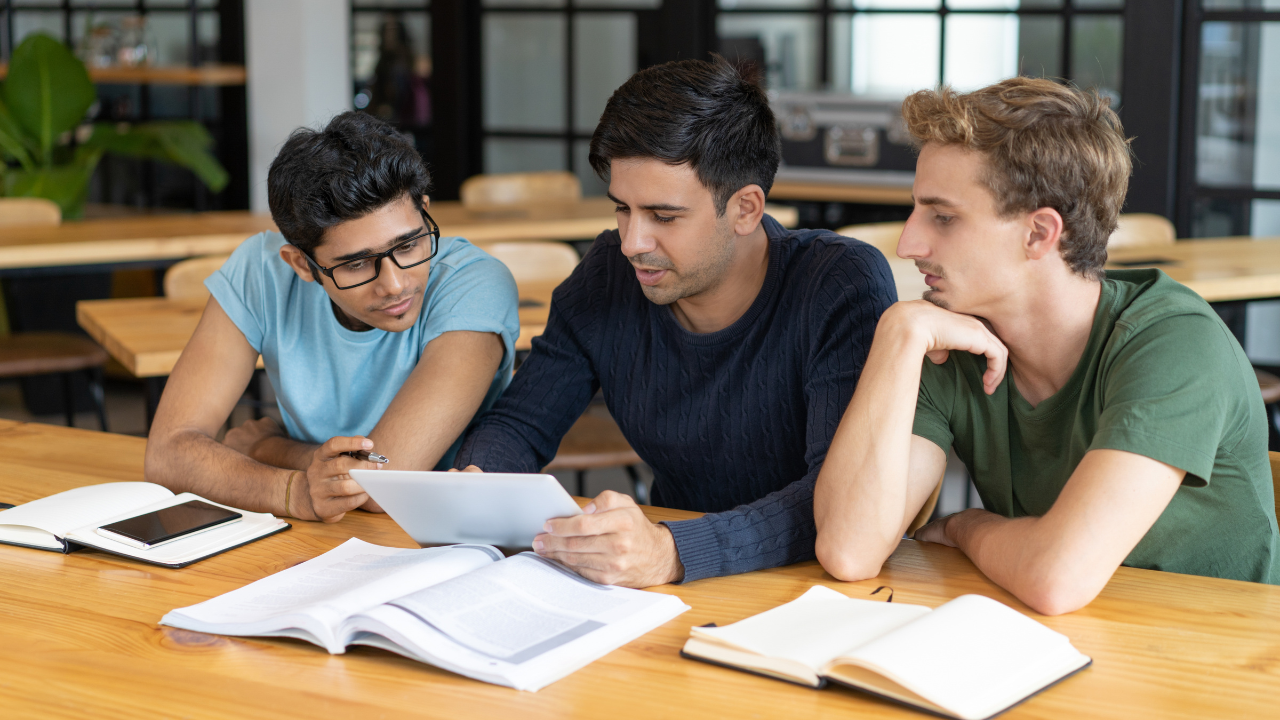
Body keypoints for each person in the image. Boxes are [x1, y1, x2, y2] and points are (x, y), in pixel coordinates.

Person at [813, 78, 1280, 615]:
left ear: (1039, 234)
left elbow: (1057, 579)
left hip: (1222, 666)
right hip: (1073, 649)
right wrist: (897, 334)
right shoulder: (953, 338)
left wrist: (969, 525)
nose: (908, 244)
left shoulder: (1174, 343)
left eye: (943, 216)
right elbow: (849, 551)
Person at [453, 57, 897, 588]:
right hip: (667, 576)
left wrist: (672, 552)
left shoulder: (838, 284)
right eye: (622, 209)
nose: (631, 242)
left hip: (818, 582)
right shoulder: (609, 275)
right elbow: (520, 424)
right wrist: (478, 484)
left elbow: (833, 496)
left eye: (663, 217)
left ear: (746, 209)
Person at [145, 111, 519, 523]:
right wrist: (292, 490)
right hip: (313, 533)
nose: (394, 284)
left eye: (409, 244)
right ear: (302, 265)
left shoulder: (475, 283)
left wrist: (269, 449)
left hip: (444, 535)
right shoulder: (261, 271)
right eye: (357, 265)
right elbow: (167, 454)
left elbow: (383, 484)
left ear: (425, 212)